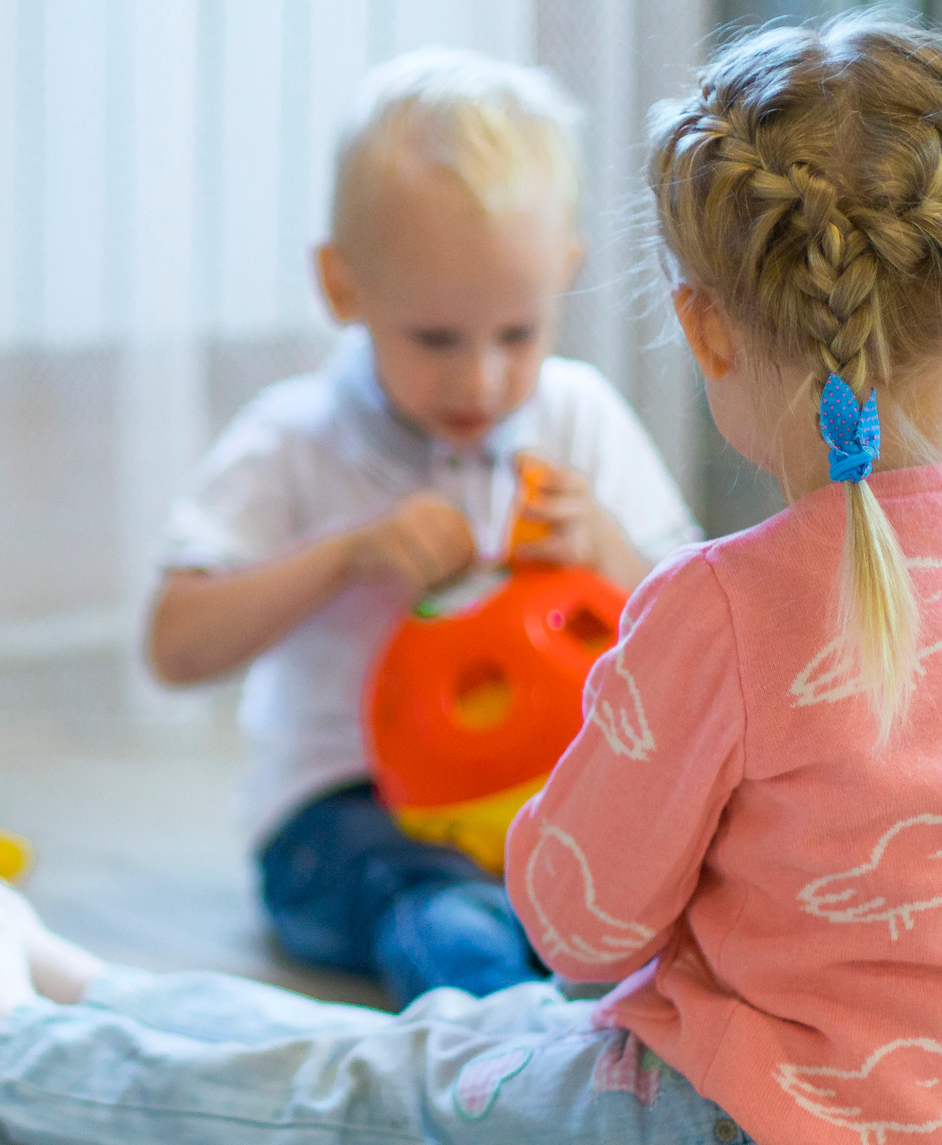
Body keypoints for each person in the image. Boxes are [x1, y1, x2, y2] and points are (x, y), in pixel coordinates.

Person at [0, 16, 942, 1145]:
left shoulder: (721, 602)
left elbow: (577, 928)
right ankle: (106, 992)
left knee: (390, 1110)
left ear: (706, 327)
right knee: (465, 1038)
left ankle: (5, 1062)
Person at [150, 49, 698, 1006]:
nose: (480, 381)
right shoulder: (295, 439)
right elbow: (175, 644)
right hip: (347, 814)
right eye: (436, 339)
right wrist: (343, 556)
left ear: (562, 275)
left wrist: (610, 550)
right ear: (342, 287)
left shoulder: (579, 416)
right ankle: (506, 1051)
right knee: (443, 917)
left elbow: (694, 628)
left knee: (689, 890)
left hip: (544, 799)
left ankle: (627, 1017)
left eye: (516, 335)